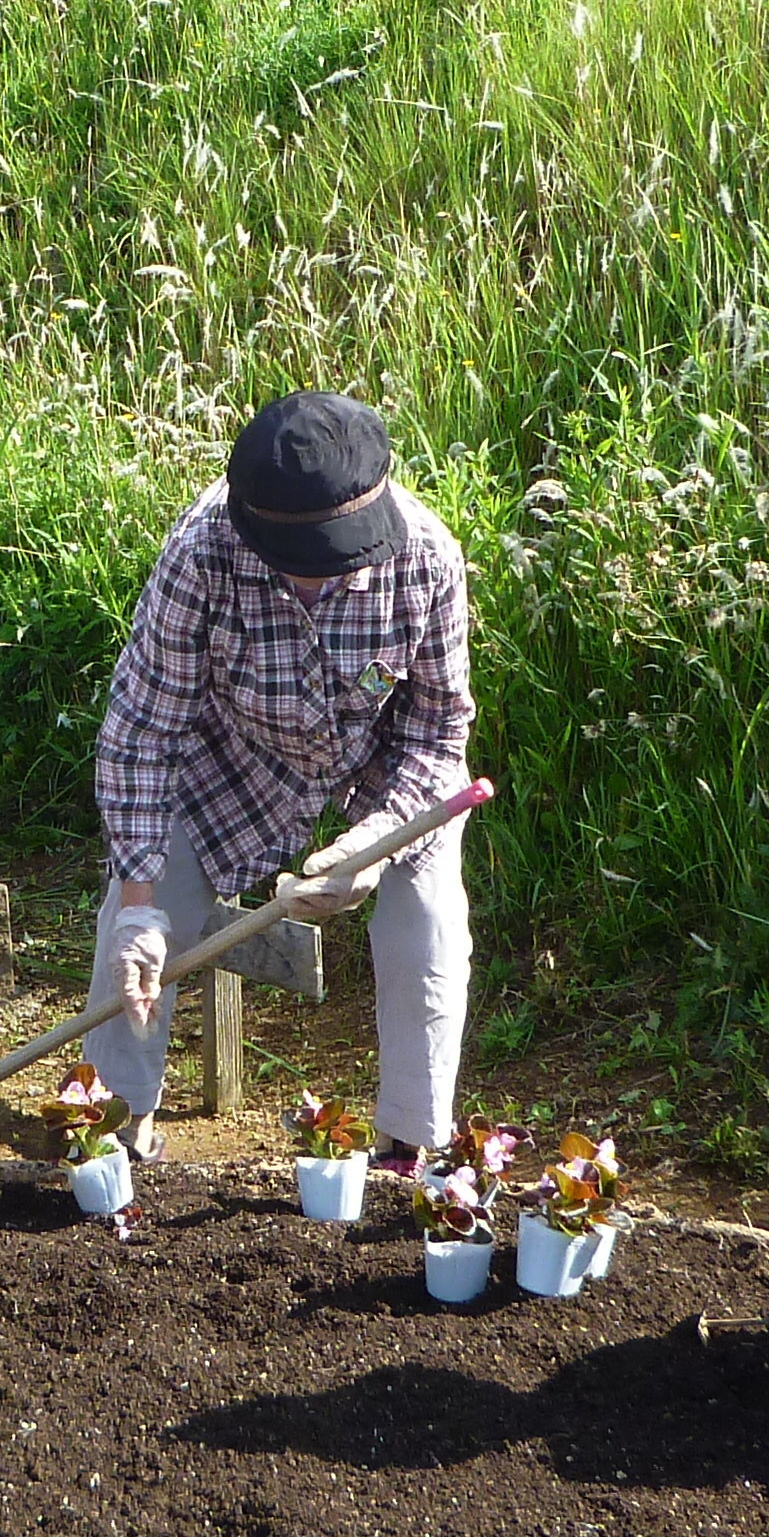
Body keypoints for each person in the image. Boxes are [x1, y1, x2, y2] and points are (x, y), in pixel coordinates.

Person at [83, 390, 473, 1161]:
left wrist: (371, 844)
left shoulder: (427, 558)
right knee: (130, 940)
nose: (310, 587)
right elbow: (139, 734)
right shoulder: (201, 553)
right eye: (291, 567)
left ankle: (408, 1142)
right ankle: (113, 1127)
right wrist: (138, 907)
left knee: (427, 924)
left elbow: (438, 732)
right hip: (228, 759)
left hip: (381, 768)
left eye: (328, 566)